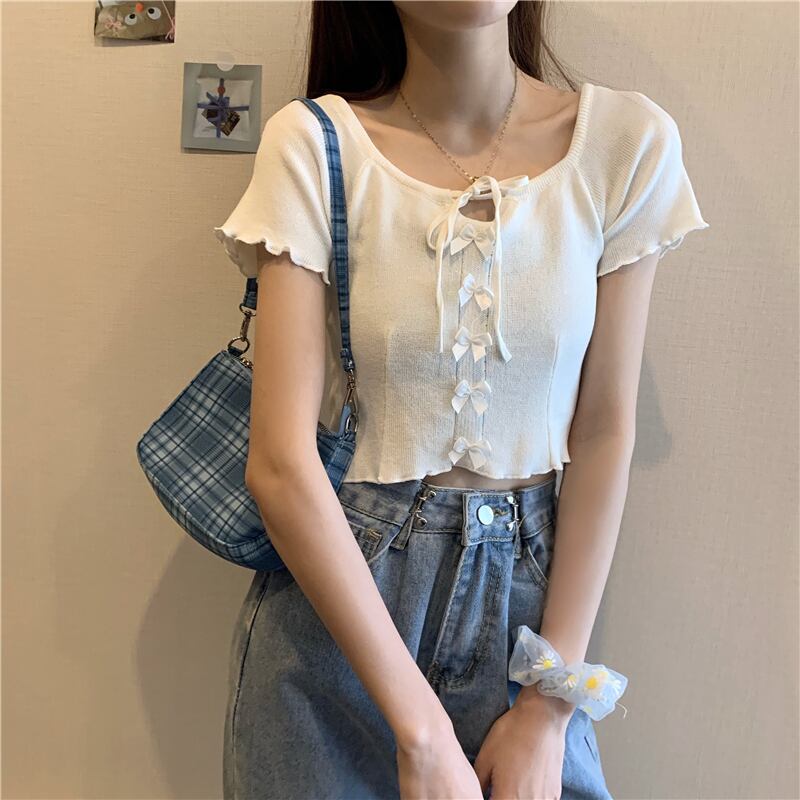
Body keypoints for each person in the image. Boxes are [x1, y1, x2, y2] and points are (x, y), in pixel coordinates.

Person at [213, 2, 710, 798]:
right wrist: (421, 732)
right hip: (341, 624)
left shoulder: (624, 143)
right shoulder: (314, 144)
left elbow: (604, 430)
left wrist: (549, 705)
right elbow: (278, 464)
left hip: (530, 633)